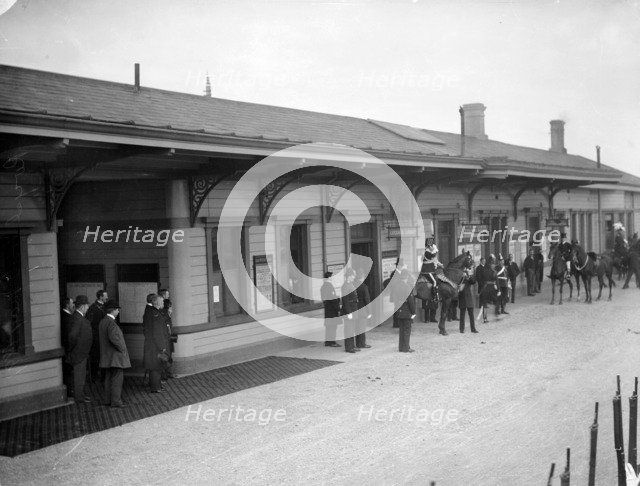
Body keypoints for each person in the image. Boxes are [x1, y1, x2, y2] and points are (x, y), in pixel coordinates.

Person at [98, 300, 130, 408]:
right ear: (113, 310)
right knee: (117, 379)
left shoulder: (103, 321)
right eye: (117, 309)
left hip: (107, 356)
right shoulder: (111, 323)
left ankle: (108, 400)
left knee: (108, 378)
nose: (118, 311)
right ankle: (116, 401)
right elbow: (114, 339)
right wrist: (123, 349)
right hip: (115, 357)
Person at [66, 295, 93, 403]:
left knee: (81, 375)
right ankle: (79, 397)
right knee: (79, 375)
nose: (87, 308)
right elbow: (72, 336)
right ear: (82, 306)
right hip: (79, 353)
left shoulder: (78, 317)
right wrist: (75, 349)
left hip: (81, 352)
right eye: (87, 306)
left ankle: (80, 394)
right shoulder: (78, 318)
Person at [143, 294, 169, 392]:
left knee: (154, 366)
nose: (163, 303)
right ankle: (156, 387)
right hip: (155, 346)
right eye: (162, 302)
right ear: (157, 303)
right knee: (156, 367)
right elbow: (158, 333)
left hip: (151, 345)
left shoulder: (152, 312)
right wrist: (162, 346)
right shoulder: (156, 315)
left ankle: (156, 386)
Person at [86, 289, 108, 382]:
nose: (107, 297)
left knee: (104, 357)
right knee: (95, 357)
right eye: (105, 296)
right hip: (96, 338)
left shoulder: (106, 307)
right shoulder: (93, 308)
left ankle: (104, 377)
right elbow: (89, 323)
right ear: (100, 297)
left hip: (105, 337)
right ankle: (93, 377)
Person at [396, 270, 416, 352]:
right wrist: (413, 312)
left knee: (401, 330)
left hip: (399, 310)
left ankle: (401, 347)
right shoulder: (407, 287)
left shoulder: (397, 285)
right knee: (407, 330)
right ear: (407, 277)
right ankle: (406, 348)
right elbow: (411, 301)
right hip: (407, 311)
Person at [341, 268, 359, 354]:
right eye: (353, 275)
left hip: (353, 309)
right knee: (348, 329)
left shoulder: (351, 284)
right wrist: (349, 313)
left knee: (352, 329)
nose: (354, 277)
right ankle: (349, 347)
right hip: (349, 311)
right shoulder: (345, 286)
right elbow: (345, 301)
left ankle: (353, 345)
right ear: (349, 276)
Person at [420, 236, 444, 301]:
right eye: (429, 242)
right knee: (434, 282)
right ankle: (434, 297)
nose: (431, 244)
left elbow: (435, 259)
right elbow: (432, 256)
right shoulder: (426, 252)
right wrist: (431, 249)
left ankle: (438, 294)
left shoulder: (431, 250)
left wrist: (440, 264)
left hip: (432, 270)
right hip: (427, 270)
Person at [321, 272, 341, 347]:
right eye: (331, 276)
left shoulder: (323, 286)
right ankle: (332, 342)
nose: (332, 277)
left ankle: (328, 341)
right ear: (329, 277)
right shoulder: (329, 286)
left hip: (327, 309)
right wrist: (338, 309)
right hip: (332, 309)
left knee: (329, 326)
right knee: (333, 326)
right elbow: (333, 299)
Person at [355, 272, 372, 349]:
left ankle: (357, 343)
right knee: (362, 327)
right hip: (362, 309)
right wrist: (369, 312)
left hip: (355, 309)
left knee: (357, 327)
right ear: (362, 277)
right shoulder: (364, 287)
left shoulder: (353, 285)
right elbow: (367, 300)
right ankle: (362, 344)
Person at [458, 267, 478, 334]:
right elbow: (458, 284)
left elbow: (473, 281)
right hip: (462, 297)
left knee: (471, 314)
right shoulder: (460, 276)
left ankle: (473, 328)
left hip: (469, 297)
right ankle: (461, 329)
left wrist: (468, 276)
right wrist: (461, 277)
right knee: (462, 314)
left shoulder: (468, 276)